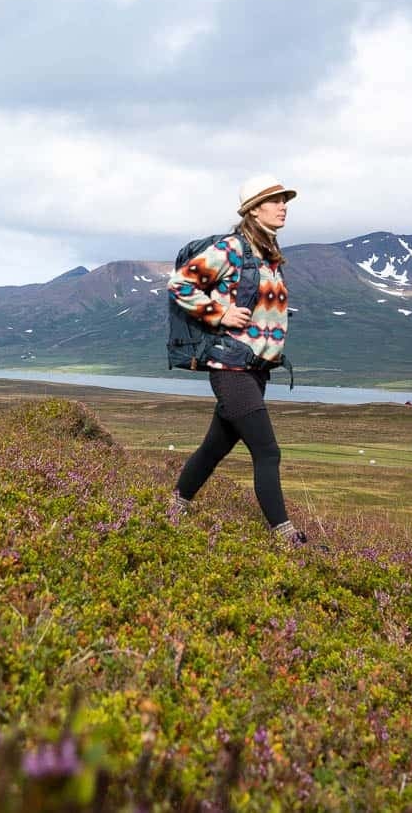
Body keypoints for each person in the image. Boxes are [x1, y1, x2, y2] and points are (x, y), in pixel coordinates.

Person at [166, 174, 307, 547]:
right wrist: (219, 313)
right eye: (274, 200)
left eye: (284, 201)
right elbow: (181, 284)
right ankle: (284, 535)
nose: (283, 206)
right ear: (253, 209)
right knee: (267, 450)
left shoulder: (268, 257)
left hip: (255, 370)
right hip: (231, 369)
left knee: (214, 448)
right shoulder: (232, 248)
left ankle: (173, 507)